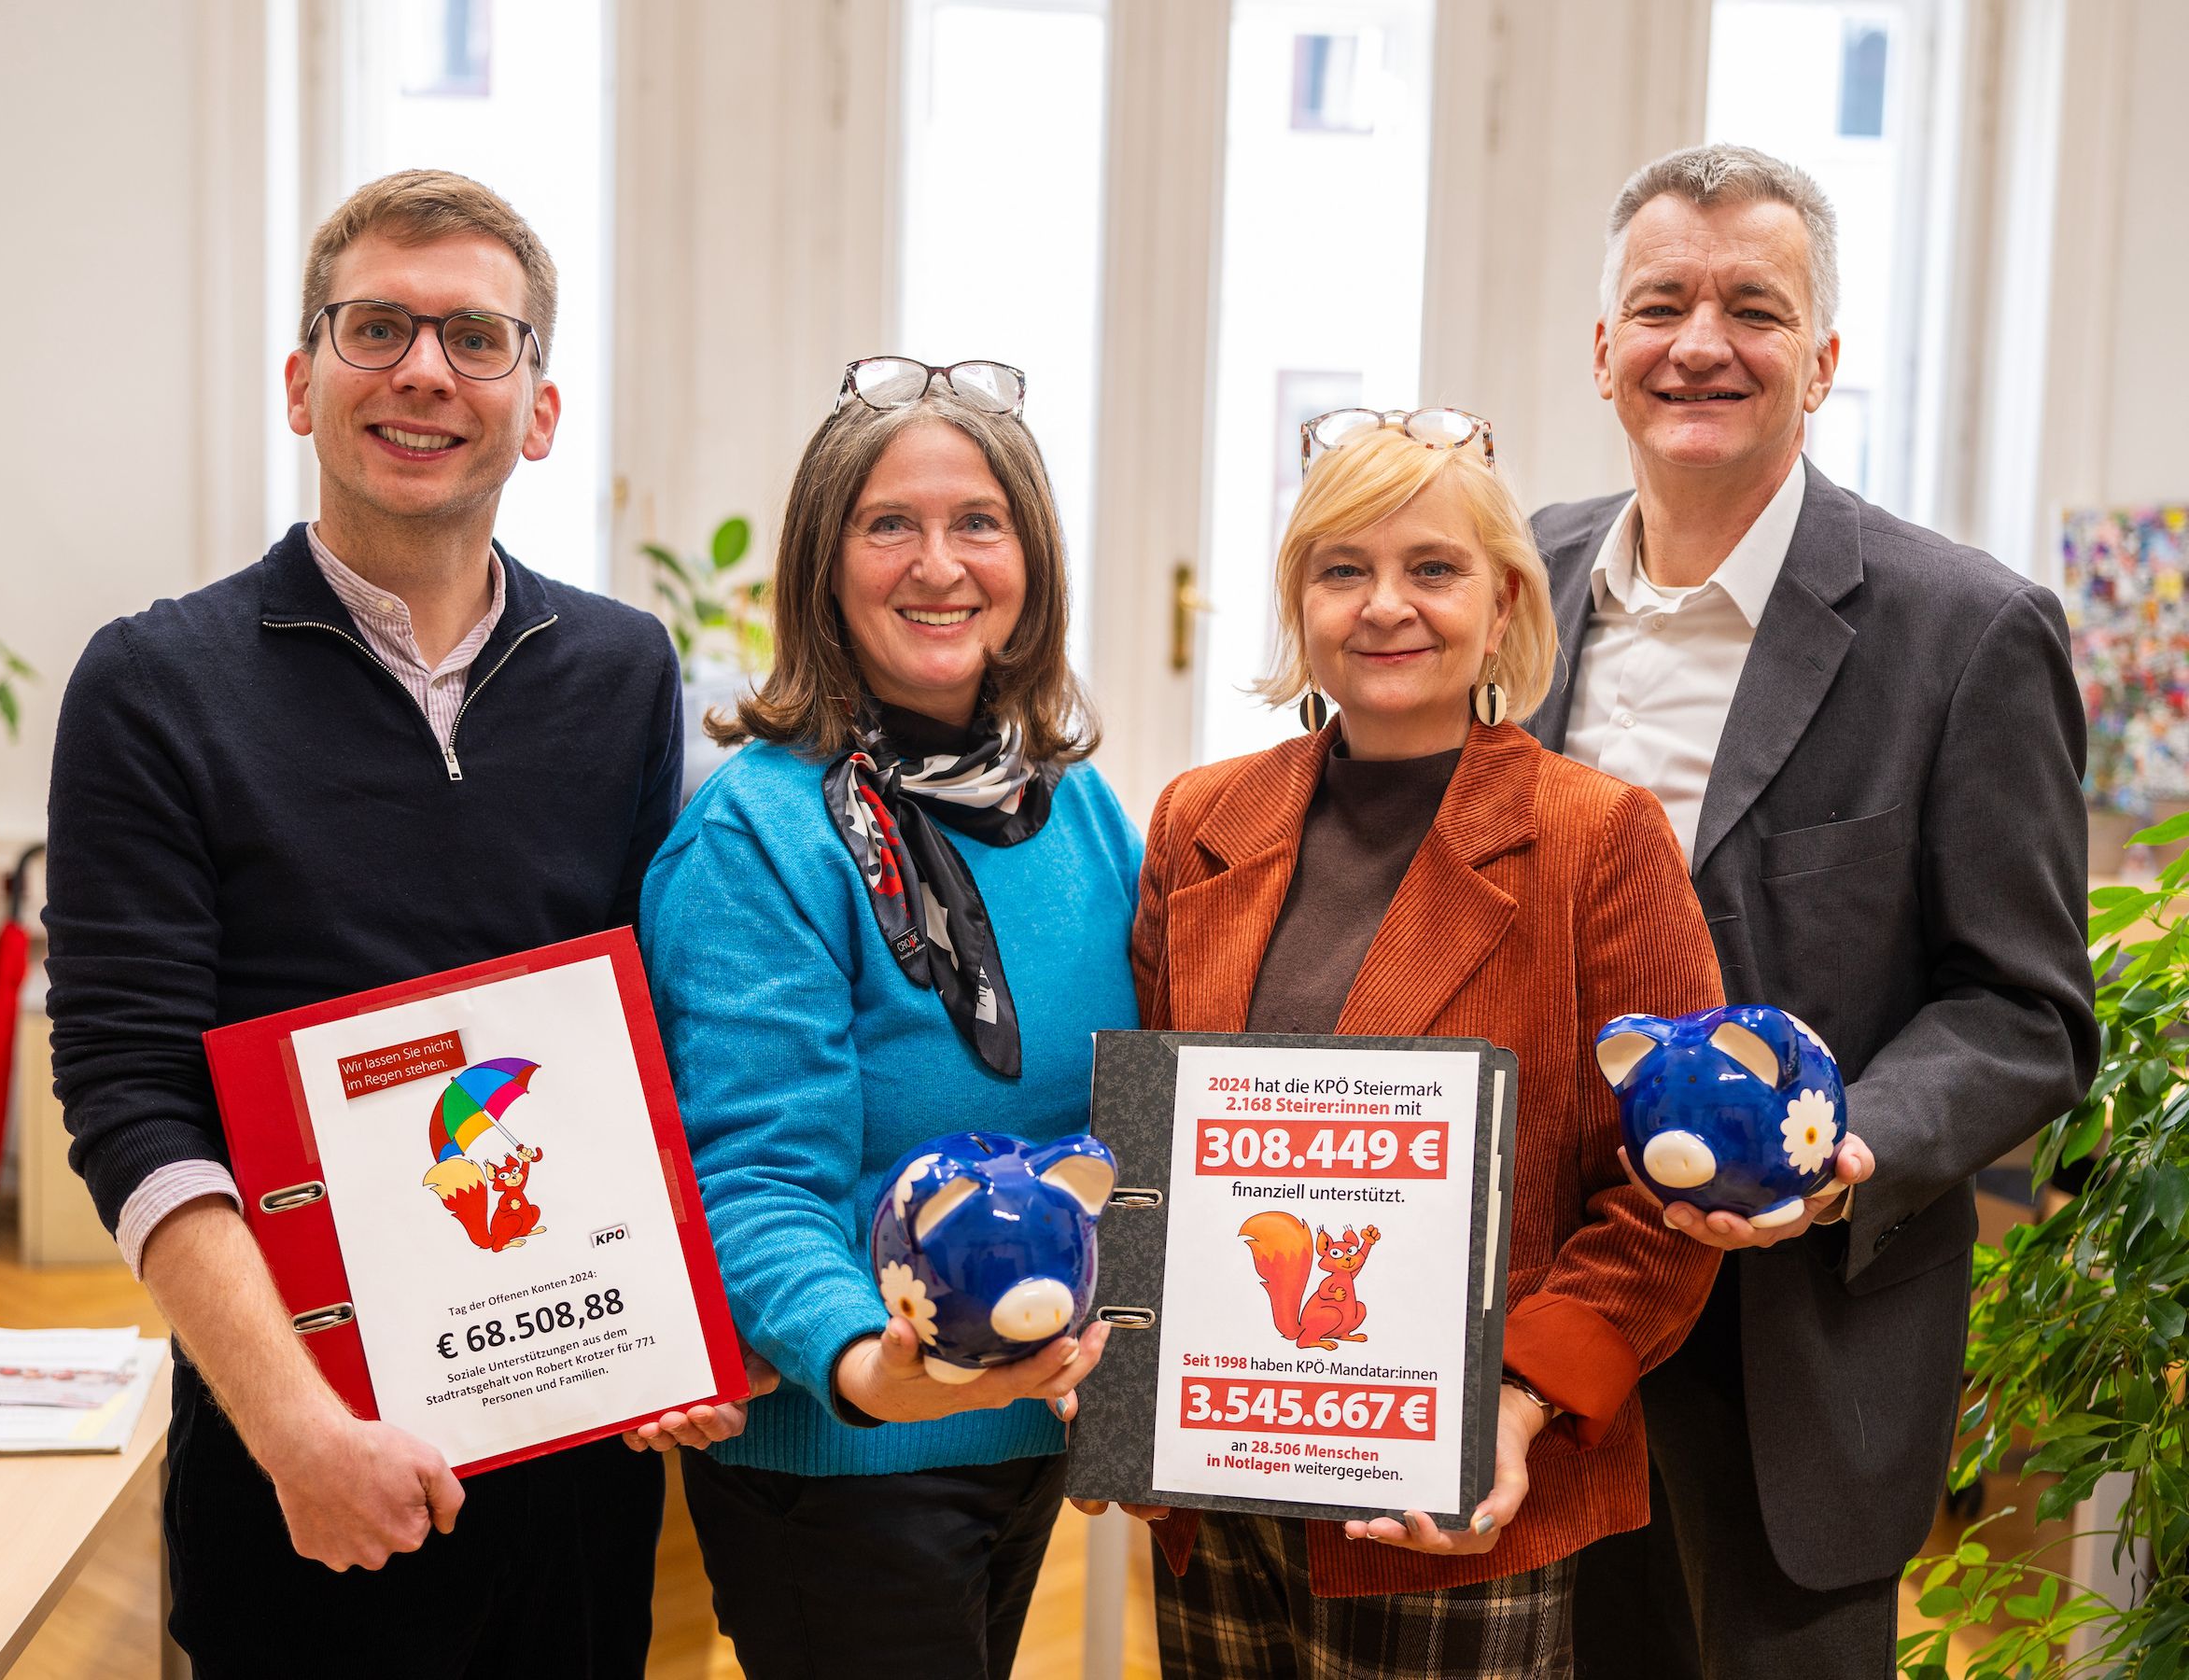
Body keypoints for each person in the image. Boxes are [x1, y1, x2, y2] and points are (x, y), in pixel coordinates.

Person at [44, 169, 754, 1678]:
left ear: (538, 409)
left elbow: (654, 1037)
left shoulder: (628, 672)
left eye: (477, 340)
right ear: (303, 384)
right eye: (378, 328)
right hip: (296, 1453)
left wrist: (680, 1319)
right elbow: (128, 1098)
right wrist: (299, 1427)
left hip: (580, 1436)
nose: (425, 371)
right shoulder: (153, 686)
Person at [1528, 144, 2099, 1679]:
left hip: (1794, 1345)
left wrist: (1848, 1155)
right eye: (1659, 303)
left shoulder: (1967, 631)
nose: (1700, 341)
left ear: (1824, 359)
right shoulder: (1513, 582)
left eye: (1753, 309)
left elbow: (2025, 1009)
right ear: (1601, 351)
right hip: (1530, 1327)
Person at [1112, 413, 1727, 1677]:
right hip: (1216, 1489)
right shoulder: (1196, 822)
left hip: (1457, 1499)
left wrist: (1516, 1403)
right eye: (1343, 569)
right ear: (1300, 603)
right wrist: (1121, 1395)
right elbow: (1148, 1158)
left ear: (1503, 604)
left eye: (1432, 569)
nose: (1385, 605)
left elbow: (1671, 1195)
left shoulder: (1597, 840)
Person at [639, 357, 1132, 1680]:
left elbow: (1123, 1113)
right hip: (847, 1453)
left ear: (1031, 560)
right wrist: (866, 1366)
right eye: (888, 525)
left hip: (1023, 1426)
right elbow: (752, 1179)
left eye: (979, 522)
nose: (939, 564)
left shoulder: (1074, 804)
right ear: (824, 563)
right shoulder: (757, 835)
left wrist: (1120, 1385)